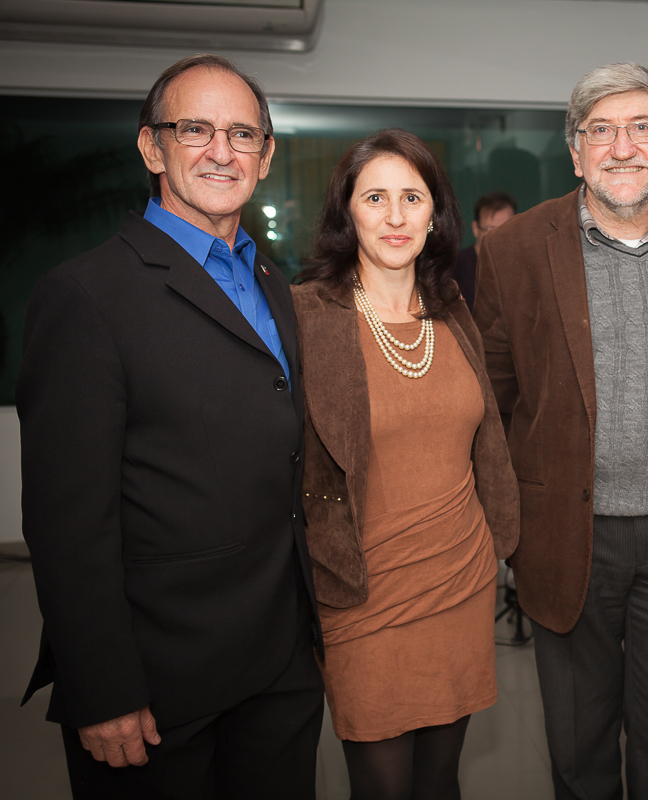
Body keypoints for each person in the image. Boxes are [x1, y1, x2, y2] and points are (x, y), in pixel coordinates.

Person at [17, 54, 324, 798]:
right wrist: (102, 687)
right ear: (152, 148)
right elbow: (67, 521)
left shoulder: (272, 282)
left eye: (242, 133)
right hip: (160, 681)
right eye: (195, 129)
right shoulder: (85, 295)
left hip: (281, 665)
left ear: (265, 156)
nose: (222, 151)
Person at [473, 62, 648, 800]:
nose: (622, 147)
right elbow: (493, 400)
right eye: (600, 130)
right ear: (575, 153)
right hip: (568, 531)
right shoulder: (513, 249)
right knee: (579, 746)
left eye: (641, 128)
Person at [293, 128, 519, 800]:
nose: (395, 216)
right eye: (375, 198)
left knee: (440, 782)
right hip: (361, 593)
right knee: (382, 788)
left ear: (435, 214)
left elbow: (486, 434)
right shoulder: (307, 316)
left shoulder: (452, 310)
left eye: (412, 197)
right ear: (347, 213)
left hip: (460, 581)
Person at [452, 191, 516, 310]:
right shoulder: (455, 268)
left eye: (508, 228)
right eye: (492, 229)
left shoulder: (523, 267)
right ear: (476, 229)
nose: (501, 236)